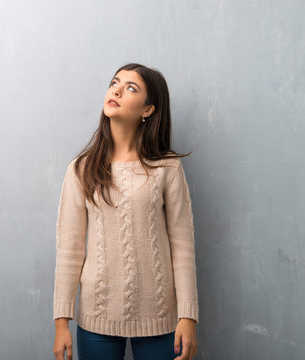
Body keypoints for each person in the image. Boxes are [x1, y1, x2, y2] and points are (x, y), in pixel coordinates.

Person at [52, 63, 199, 360]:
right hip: (97, 317)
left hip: (159, 318)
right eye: (115, 83)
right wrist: (61, 322)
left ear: (148, 110)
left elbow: (182, 246)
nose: (117, 90)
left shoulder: (167, 167)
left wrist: (188, 316)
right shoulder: (81, 169)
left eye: (131, 88)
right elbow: (69, 251)